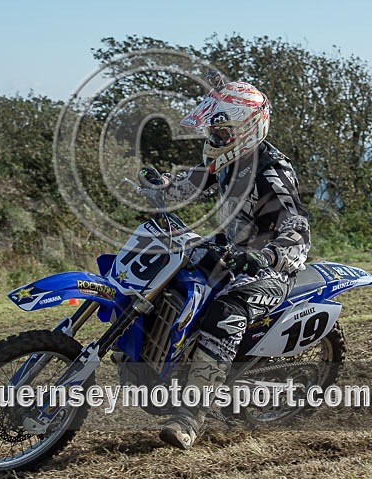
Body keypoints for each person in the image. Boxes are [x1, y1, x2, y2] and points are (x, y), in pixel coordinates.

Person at [140, 74, 310, 449]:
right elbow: (196, 181)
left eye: (221, 133)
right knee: (167, 275)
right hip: (231, 250)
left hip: (267, 268)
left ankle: (190, 416)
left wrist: (265, 255)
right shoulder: (231, 158)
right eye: (214, 132)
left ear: (246, 130)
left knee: (224, 312)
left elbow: (297, 231)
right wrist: (163, 187)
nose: (214, 139)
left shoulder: (270, 173)